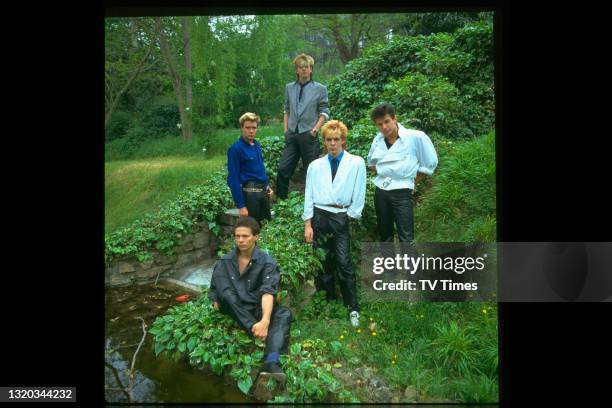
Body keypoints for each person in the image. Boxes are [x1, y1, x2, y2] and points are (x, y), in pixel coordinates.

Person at [208, 216, 291, 381]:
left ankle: (272, 361)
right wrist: (216, 300)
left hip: (255, 306)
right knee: (227, 295)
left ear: (256, 237)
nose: (240, 240)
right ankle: (256, 330)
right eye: (237, 236)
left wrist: (266, 320)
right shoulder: (224, 262)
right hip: (233, 305)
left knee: (284, 313)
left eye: (245, 236)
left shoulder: (267, 262)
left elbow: (268, 292)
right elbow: (218, 294)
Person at [303, 120, 366, 327]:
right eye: (328, 140)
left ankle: (353, 307)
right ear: (324, 141)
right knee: (323, 262)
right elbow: (308, 195)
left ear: (343, 140)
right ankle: (328, 301)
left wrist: (352, 216)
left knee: (344, 262)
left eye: (336, 139)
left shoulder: (356, 163)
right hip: (320, 215)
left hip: (340, 215)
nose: (332, 144)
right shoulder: (315, 165)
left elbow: (359, 191)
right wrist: (308, 224)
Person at [367, 102, 438, 248]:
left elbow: (429, 164)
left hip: (402, 191)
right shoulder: (378, 140)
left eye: (387, 122)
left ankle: (412, 270)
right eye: (379, 124)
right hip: (381, 190)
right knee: (384, 233)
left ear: (394, 118)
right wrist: (386, 170)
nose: (384, 127)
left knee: (406, 235)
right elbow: (371, 164)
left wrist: (411, 182)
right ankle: (390, 269)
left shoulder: (415, 137)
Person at [276, 53, 331, 200]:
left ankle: (312, 203)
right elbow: (286, 110)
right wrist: (286, 130)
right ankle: (282, 203)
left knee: (311, 171)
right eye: (301, 67)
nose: (304, 69)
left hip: (309, 135)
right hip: (292, 134)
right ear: (297, 70)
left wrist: (315, 130)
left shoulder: (320, 89)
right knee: (283, 169)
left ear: (311, 69)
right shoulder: (289, 88)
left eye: (307, 67)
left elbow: (325, 112)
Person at [227, 112, 274, 225]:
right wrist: (241, 206)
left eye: (254, 128)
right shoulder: (235, 149)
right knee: (251, 230)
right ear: (242, 128)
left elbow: (259, 170)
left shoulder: (256, 145)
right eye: (248, 128)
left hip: (263, 194)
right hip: (249, 197)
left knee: (265, 229)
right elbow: (233, 179)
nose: (251, 131)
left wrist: (267, 186)